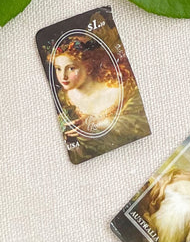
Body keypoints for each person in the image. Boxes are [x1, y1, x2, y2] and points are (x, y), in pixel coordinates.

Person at [49, 33, 149, 163]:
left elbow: (139, 125)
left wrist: (96, 125)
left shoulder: (120, 90)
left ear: (88, 67)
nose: (63, 76)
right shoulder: (64, 97)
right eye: (58, 69)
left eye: (71, 68)